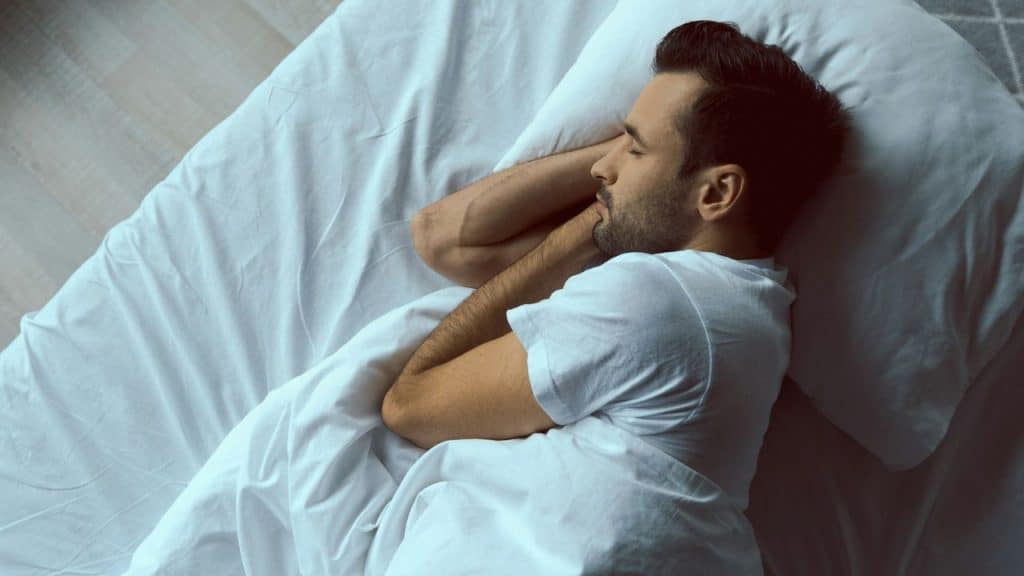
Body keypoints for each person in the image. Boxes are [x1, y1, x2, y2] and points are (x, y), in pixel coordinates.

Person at [380, 20, 850, 510]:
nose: (600, 168)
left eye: (635, 148)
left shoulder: (655, 302)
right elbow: (443, 237)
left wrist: (609, 213)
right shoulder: (742, 306)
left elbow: (409, 406)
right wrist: (626, 197)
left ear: (716, 193)